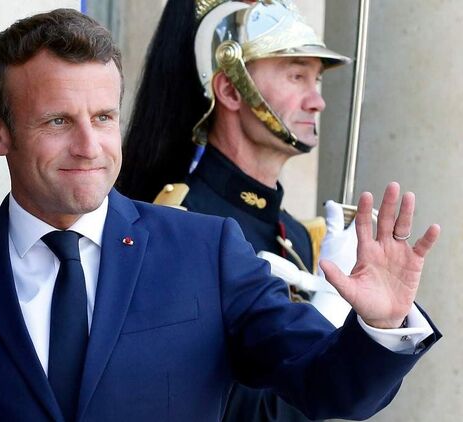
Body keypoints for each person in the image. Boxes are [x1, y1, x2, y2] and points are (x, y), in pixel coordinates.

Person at [0, 8, 441, 422]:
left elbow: (325, 385)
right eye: (58, 121)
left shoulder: (206, 250)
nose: (89, 146)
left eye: (103, 118)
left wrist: (380, 326)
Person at [119, 2, 356, 419]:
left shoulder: (297, 237)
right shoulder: (181, 225)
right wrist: (330, 319)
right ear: (230, 90)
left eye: (316, 78)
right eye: (296, 75)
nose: (317, 100)